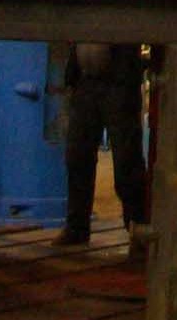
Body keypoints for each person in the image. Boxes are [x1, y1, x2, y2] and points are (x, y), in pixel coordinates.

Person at [55, 38, 147, 249]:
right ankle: (77, 227)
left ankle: (137, 229)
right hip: (85, 82)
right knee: (77, 157)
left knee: (126, 160)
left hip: (119, 84)